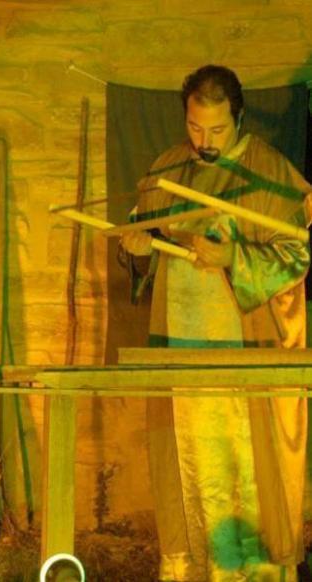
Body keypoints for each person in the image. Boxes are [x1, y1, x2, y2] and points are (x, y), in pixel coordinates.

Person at [120, 64, 312, 581]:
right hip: (180, 350)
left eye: (217, 130)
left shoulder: (269, 173)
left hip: (244, 354)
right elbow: (145, 238)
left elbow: (297, 256)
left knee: (244, 465)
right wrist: (140, 248)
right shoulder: (166, 171)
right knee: (188, 459)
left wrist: (233, 259)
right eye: (195, 127)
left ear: (239, 117)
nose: (204, 142)